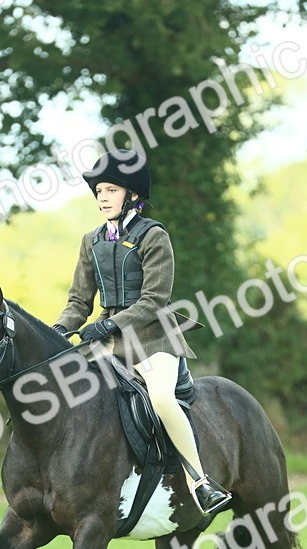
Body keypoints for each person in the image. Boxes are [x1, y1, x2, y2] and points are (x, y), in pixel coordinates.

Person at [53, 149, 231, 515]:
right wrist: (58, 329)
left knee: (163, 399)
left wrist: (108, 324)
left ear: (132, 194)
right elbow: (78, 301)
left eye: (111, 190)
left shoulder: (153, 236)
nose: (102, 197)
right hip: (109, 343)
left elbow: (153, 299)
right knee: (65, 391)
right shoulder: (91, 241)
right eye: (99, 191)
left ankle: (200, 481)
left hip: (153, 338)